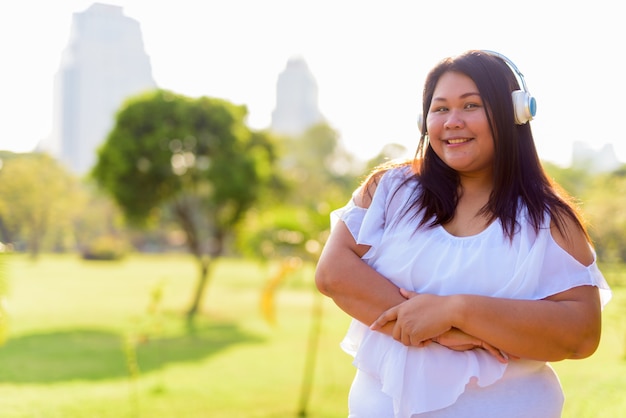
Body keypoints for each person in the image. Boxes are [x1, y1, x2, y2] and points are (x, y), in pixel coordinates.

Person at [314, 50, 612, 418]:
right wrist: (440, 330)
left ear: (515, 113)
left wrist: (459, 311)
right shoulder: (389, 190)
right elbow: (333, 274)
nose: (452, 121)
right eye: (440, 109)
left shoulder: (549, 220)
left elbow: (581, 334)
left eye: (471, 105)